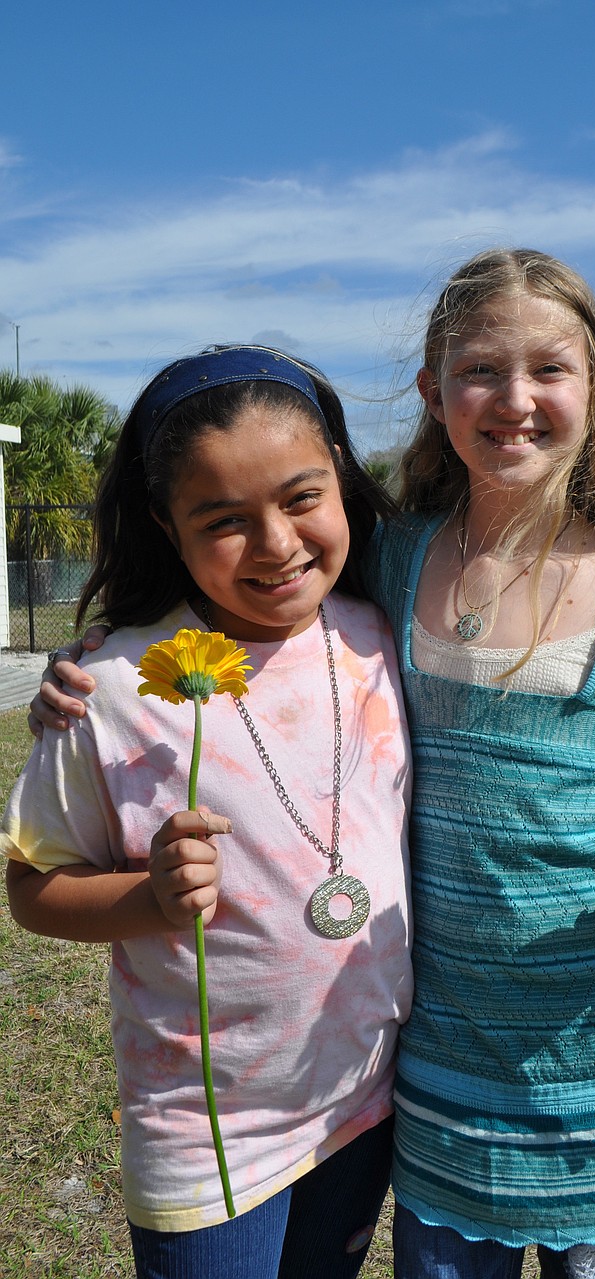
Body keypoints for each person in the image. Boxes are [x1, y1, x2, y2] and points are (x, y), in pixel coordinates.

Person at [32, 249, 595, 1279]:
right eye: (479, 371)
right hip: (440, 1048)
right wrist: (97, 658)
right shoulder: (394, 558)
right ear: (432, 392)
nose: (513, 400)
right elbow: (256, 593)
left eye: (549, 368)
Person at [4, 345, 413, 1279]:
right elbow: (31, 887)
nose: (275, 544)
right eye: (224, 519)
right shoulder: (109, 689)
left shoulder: (382, 632)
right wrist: (147, 898)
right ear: (166, 523)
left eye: (302, 497)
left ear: (343, 477)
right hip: (203, 1130)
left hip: (364, 1098)